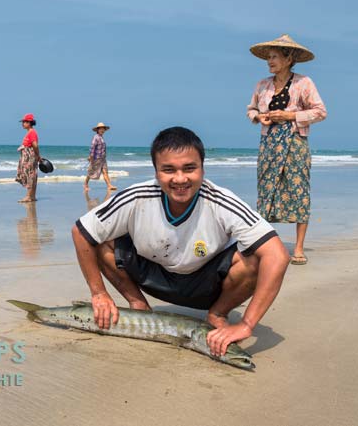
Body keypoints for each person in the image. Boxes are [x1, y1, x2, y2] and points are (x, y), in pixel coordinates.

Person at [71, 127, 291, 357]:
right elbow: (80, 232)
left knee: (256, 257)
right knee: (100, 238)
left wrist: (247, 324)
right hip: (152, 277)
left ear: (203, 169)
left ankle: (218, 313)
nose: (179, 179)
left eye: (189, 168)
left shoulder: (221, 201)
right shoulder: (136, 197)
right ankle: (138, 304)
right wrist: (99, 293)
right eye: (168, 170)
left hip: (207, 288)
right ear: (156, 172)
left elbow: (277, 256)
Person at [246, 34, 327, 265]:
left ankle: (298, 248)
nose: (269, 62)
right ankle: (264, 245)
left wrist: (290, 115)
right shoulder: (262, 85)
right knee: (265, 190)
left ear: (289, 58)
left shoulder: (304, 83)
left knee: (299, 190)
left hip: (294, 143)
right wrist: (259, 117)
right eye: (268, 57)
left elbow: (320, 112)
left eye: (274, 57)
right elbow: (250, 109)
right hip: (269, 144)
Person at [15, 113, 41, 203]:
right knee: (32, 174)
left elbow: (35, 145)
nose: (23, 124)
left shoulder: (32, 133)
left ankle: (28, 196)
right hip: (29, 156)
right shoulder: (29, 133)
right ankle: (32, 196)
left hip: (30, 157)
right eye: (22, 122)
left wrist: (38, 156)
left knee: (30, 175)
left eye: (24, 122)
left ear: (29, 123)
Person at [84, 122, 117, 192]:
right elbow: (92, 147)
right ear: (97, 130)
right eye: (101, 129)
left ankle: (109, 186)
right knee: (91, 172)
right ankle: (85, 184)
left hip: (103, 158)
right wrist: (90, 157)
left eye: (103, 129)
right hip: (96, 158)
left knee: (105, 172)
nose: (102, 130)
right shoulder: (96, 137)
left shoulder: (101, 137)